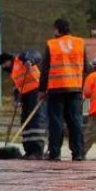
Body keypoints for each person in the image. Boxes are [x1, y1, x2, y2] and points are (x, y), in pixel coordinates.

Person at [38, 18, 87, 161]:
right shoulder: (80, 43)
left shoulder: (52, 44)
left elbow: (45, 69)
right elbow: (86, 67)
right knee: (75, 122)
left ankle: (55, 153)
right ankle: (78, 153)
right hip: (75, 89)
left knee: (56, 122)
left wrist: (42, 90)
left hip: (56, 89)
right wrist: (81, 86)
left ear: (57, 29)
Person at [0, 50, 46, 159]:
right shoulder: (13, 72)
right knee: (25, 120)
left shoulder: (21, 58)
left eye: (4, 65)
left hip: (36, 91)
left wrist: (30, 60)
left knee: (35, 120)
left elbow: (37, 54)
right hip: (25, 95)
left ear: (7, 61)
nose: (4, 68)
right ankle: (29, 151)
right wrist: (17, 100)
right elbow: (17, 87)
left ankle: (37, 151)